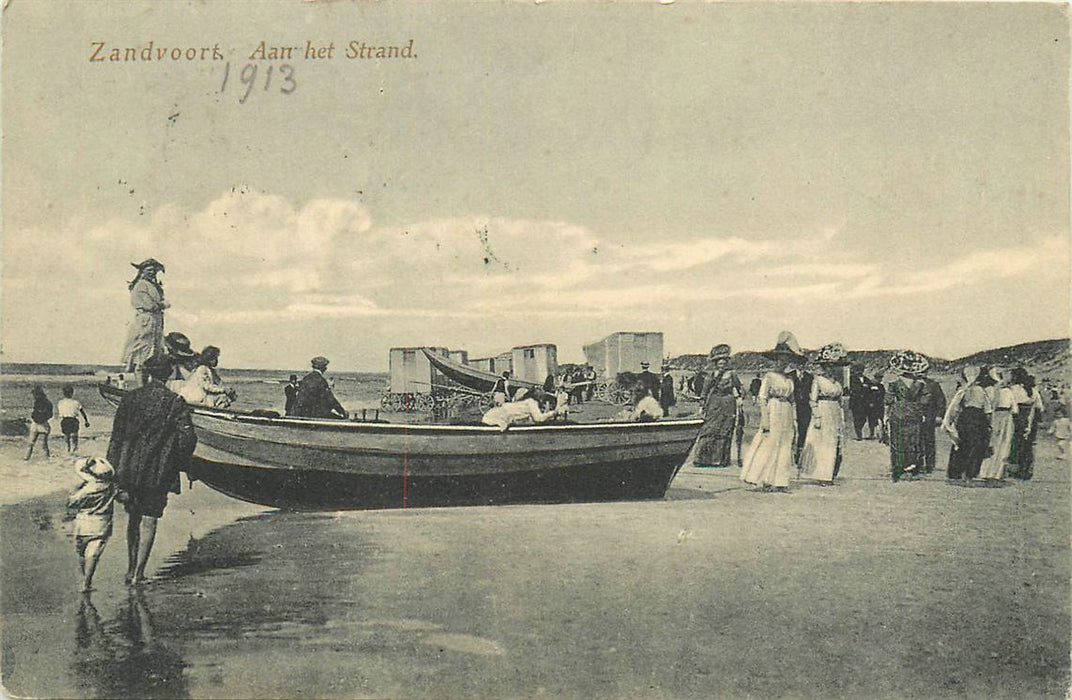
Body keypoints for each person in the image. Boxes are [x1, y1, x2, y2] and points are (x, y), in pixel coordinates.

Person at [107, 356, 197, 585]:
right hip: (158, 470)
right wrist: (178, 462)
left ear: (147, 373)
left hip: (127, 469)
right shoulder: (175, 401)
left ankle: (129, 568)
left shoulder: (129, 399)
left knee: (133, 519)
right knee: (149, 519)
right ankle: (139, 573)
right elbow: (188, 438)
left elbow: (116, 438)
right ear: (168, 375)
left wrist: (113, 470)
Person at [740, 332, 804, 492]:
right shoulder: (769, 377)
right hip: (773, 409)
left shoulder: (789, 379)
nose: (784, 363)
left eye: (787, 360)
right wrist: (765, 420)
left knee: (785, 444)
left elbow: (792, 400)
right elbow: (762, 398)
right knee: (770, 443)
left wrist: (795, 419)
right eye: (781, 359)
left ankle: (780, 481)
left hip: (787, 412)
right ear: (776, 360)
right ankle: (762, 478)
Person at [798, 343, 847, 485]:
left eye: (834, 366)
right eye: (829, 366)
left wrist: (842, 417)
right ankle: (822, 475)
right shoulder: (818, 380)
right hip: (823, 410)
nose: (831, 369)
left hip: (835, 412)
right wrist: (817, 417)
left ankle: (831, 473)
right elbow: (812, 400)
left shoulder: (837, 382)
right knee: (823, 443)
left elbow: (840, 401)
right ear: (824, 366)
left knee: (835, 443)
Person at [67, 457, 118, 592]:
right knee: (93, 553)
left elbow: (71, 503)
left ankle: (82, 577)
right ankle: (87, 582)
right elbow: (124, 497)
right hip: (102, 524)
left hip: (82, 524)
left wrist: (74, 491)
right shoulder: (111, 486)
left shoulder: (86, 490)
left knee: (81, 552)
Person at [120, 258, 169, 384]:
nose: (152, 272)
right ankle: (141, 386)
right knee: (143, 354)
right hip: (146, 322)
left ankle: (147, 386)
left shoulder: (153, 286)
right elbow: (149, 304)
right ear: (142, 271)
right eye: (149, 270)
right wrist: (162, 305)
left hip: (155, 321)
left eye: (154, 270)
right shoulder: (141, 285)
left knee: (153, 355)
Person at [694, 344, 743, 468]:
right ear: (716, 364)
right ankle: (703, 460)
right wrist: (702, 405)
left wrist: (739, 398)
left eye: (724, 363)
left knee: (725, 430)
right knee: (709, 429)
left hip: (728, 404)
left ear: (727, 363)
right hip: (714, 404)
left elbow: (739, 388)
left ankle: (720, 460)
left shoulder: (732, 374)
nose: (722, 365)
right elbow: (705, 391)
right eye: (719, 363)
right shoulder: (711, 375)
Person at [943, 366, 993, 484]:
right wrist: (988, 424)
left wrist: (951, 422)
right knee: (976, 446)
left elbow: (955, 407)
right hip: (978, 418)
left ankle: (955, 473)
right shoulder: (981, 390)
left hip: (965, 418)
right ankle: (970, 473)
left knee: (962, 444)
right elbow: (988, 409)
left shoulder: (962, 390)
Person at [885, 350, 930, 482]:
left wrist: (886, 416)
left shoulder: (894, 383)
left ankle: (897, 468)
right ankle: (910, 469)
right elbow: (925, 401)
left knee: (897, 441)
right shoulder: (921, 384)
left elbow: (888, 401)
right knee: (913, 441)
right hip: (914, 413)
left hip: (897, 412)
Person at [980, 368, 1017, 483]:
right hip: (1003, 417)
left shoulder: (990, 390)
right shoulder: (1007, 391)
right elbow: (1015, 409)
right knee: (1001, 445)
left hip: (996, 417)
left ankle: (988, 472)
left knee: (994, 444)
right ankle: (995, 473)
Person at [1007, 367, 1044, 480]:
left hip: (1016, 420)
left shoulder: (1013, 389)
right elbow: (1040, 408)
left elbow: (1011, 406)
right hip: (1031, 420)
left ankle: (1014, 470)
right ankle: (1026, 471)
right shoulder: (1034, 391)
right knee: (1028, 446)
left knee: (1015, 445)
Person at [480, 388, 561, 431]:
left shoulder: (524, 401)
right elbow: (538, 418)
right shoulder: (531, 402)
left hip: (499, 411)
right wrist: (552, 413)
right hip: (501, 414)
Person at [919, 365, 947, 475]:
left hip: (929, 416)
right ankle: (918, 464)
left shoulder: (933, 385)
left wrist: (939, 416)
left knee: (929, 441)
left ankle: (930, 465)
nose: (921, 373)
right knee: (916, 441)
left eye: (923, 371)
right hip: (915, 416)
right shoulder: (911, 384)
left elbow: (941, 401)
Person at [788, 359, 814, 461]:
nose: (801, 365)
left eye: (803, 363)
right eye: (799, 363)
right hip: (792, 406)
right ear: (795, 364)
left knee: (803, 430)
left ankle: (799, 454)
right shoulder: (790, 375)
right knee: (791, 430)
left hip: (805, 408)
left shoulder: (809, 377)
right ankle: (789, 452)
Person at [57, 385, 91, 453]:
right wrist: (86, 421)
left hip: (65, 420)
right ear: (72, 393)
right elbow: (82, 412)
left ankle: (68, 451)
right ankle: (74, 450)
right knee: (74, 437)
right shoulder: (76, 402)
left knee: (67, 438)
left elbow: (60, 412)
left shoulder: (60, 402)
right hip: (73, 420)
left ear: (64, 393)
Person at [25, 385, 53, 460]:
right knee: (33, 443)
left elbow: (50, 414)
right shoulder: (39, 402)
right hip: (38, 423)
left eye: (35, 395)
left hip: (42, 424)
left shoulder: (46, 403)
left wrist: (40, 417)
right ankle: (27, 458)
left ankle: (28, 458)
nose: (34, 396)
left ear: (39, 394)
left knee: (40, 444)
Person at [848, 365, 872, 440]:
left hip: (865, 403)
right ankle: (859, 434)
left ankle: (860, 430)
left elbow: (870, 389)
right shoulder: (851, 378)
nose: (860, 372)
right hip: (856, 402)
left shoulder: (867, 379)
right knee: (857, 418)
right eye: (858, 370)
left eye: (861, 370)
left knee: (864, 418)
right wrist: (863, 387)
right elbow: (854, 388)